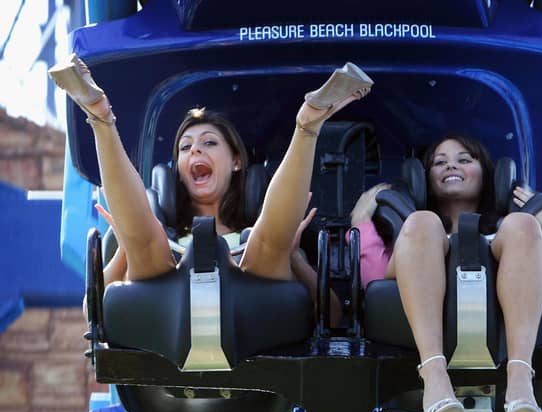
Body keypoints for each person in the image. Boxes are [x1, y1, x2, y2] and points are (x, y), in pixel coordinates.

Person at [49, 55, 372, 320]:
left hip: (252, 314)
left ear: (236, 162)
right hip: (168, 315)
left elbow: (332, 315)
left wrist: (293, 257)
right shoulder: (164, 240)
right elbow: (90, 312)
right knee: (148, 243)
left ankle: (308, 124)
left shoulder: (256, 238)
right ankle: (100, 118)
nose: (195, 151)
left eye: (209, 142)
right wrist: (126, 248)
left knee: (268, 244)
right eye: (185, 148)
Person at [350, 134, 542, 412]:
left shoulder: (511, 228)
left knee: (521, 225)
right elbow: (372, 284)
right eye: (440, 162)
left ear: (488, 175)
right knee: (421, 223)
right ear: (425, 180)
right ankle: (434, 375)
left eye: (464, 159)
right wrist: (361, 221)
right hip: (414, 298)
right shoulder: (412, 228)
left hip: (503, 315)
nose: (451, 164)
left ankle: (520, 379)